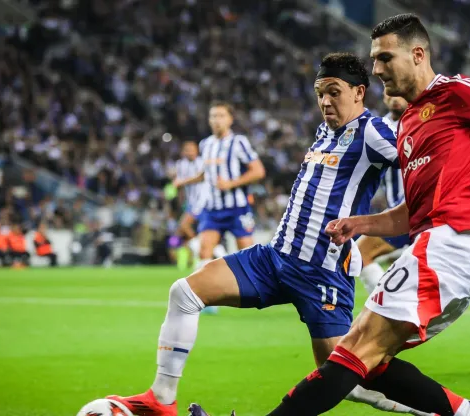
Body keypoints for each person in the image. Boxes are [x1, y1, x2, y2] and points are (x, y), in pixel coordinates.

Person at [250, 14, 470, 416]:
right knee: (371, 362)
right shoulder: (410, 121)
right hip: (432, 243)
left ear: (417, 54)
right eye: (373, 59)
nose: (376, 69)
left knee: (352, 351)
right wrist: (359, 224)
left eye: (384, 58)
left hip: (450, 245)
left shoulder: (457, 91)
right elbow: (413, 213)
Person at [108, 53, 429, 416]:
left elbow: (425, 164)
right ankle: (162, 399)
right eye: (319, 92)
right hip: (274, 259)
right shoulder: (326, 129)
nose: (324, 100)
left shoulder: (374, 132)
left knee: (348, 378)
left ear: (359, 92)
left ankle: (445, 411)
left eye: (334, 92)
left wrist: (371, 223)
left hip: (320, 274)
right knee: (183, 292)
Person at [358, 95, 470, 357]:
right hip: (403, 215)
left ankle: (383, 316)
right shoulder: (381, 127)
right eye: (388, 92)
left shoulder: (425, 120)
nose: (393, 97)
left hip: (423, 212)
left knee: (361, 255)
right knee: (462, 273)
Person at [174, 102, 266, 270]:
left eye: (221, 116)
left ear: (230, 120)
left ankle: (255, 292)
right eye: (213, 116)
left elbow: (258, 171)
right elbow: (205, 174)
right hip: (213, 209)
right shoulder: (205, 144)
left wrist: (231, 184)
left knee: (247, 254)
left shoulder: (239, 142)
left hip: (237, 207)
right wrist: (184, 181)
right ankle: (207, 294)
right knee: (204, 252)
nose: (217, 120)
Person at [172, 140, 226, 269]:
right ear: (183, 152)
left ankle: (201, 249)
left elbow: (202, 178)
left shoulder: (202, 162)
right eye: (187, 150)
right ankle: (214, 251)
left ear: (197, 151)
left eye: (192, 149)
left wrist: (182, 182)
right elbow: (180, 188)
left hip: (203, 201)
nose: (190, 152)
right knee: (185, 232)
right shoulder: (180, 164)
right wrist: (181, 203)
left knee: (184, 226)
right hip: (190, 202)